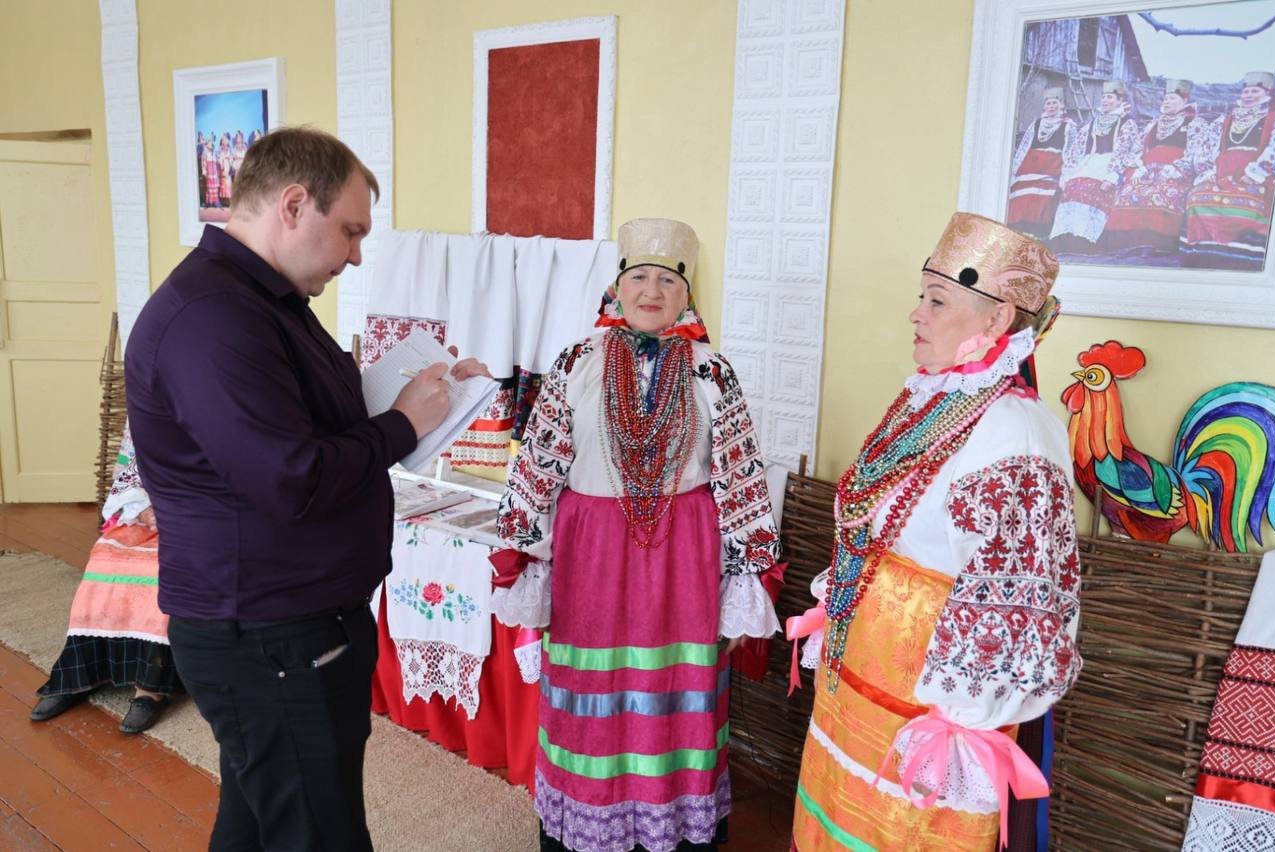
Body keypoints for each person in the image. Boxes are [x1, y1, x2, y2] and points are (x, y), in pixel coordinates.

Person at [124, 126, 488, 850]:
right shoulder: (214, 316)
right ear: (293, 205)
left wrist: (419, 397)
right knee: (319, 834)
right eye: (351, 231)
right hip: (271, 630)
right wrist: (402, 426)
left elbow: (302, 423)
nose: (356, 255)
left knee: (262, 823)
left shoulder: (263, 300)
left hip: (288, 621)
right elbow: (292, 479)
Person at [789, 213, 1083, 851]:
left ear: (997, 318)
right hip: (866, 669)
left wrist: (965, 716)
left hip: (929, 697)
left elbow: (1021, 598)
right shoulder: (934, 399)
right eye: (922, 296)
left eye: (937, 300)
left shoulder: (1016, 434)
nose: (915, 314)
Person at [493, 218, 783, 851]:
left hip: (683, 560)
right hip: (590, 557)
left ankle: (672, 826)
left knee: (674, 690)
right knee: (592, 690)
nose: (652, 291)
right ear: (617, 288)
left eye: (668, 281)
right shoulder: (576, 362)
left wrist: (744, 582)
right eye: (640, 277)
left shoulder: (712, 372)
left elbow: (740, 477)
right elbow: (538, 464)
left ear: (687, 295)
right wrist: (524, 557)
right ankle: (589, 823)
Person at [31, 425, 178, 734]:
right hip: (147, 511)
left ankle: (150, 687)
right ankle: (81, 673)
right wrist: (143, 509)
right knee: (106, 559)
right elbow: (129, 472)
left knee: (157, 569)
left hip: (198, 516)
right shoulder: (149, 403)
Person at [1182, 71, 1275, 269]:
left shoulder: (1273, 118)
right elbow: (1217, 150)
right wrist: (1212, 172)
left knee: (1245, 202)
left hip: (1255, 174)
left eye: (1255, 91)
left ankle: (1238, 252)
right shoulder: (1228, 118)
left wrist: (1255, 174)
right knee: (1197, 196)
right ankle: (1204, 251)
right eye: (1246, 92)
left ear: (1267, 94)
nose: (1249, 95)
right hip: (1223, 172)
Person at [1106, 78, 1205, 257]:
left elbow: (1196, 152)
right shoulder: (1153, 124)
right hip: (1147, 170)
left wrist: (1177, 169)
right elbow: (1138, 149)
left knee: (1160, 193)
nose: (1167, 102)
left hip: (1174, 172)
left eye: (1172, 99)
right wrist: (1138, 167)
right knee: (1129, 191)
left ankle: (1155, 243)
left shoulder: (1194, 123)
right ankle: (1130, 243)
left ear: (1185, 101)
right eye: (1165, 99)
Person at [1049, 79, 1141, 255]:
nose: (1105, 100)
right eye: (1104, 97)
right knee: (1073, 187)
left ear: (1120, 100)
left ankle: (1086, 241)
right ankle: (1067, 238)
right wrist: (1068, 173)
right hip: (1090, 162)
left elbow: (1124, 150)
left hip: (1111, 165)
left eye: (1110, 97)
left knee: (1092, 189)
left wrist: (1112, 177)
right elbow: (1077, 149)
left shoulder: (1127, 122)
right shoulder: (1093, 122)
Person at [1007, 86, 1077, 240]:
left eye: (1054, 103)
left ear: (1061, 105)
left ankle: (1038, 231)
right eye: (1048, 103)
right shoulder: (1036, 124)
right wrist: (1015, 169)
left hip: (1052, 166)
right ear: (1044, 106)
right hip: (1030, 165)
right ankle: (1019, 229)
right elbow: (1024, 147)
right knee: (1021, 194)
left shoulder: (1068, 126)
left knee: (1045, 196)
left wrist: (1067, 173)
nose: (1051, 106)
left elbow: (1071, 151)